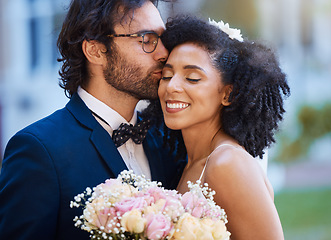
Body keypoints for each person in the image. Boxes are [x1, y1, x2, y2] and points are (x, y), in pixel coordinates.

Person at [0, 1, 186, 239]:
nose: (163, 54)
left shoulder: (169, 140)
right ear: (95, 50)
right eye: (146, 39)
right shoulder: (39, 150)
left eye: (163, 40)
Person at [154, 15, 290, 239]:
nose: (172, 87)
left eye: (192, 78)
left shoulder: (227, 163)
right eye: (167, 75)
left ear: (228, 94)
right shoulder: (191, 161)